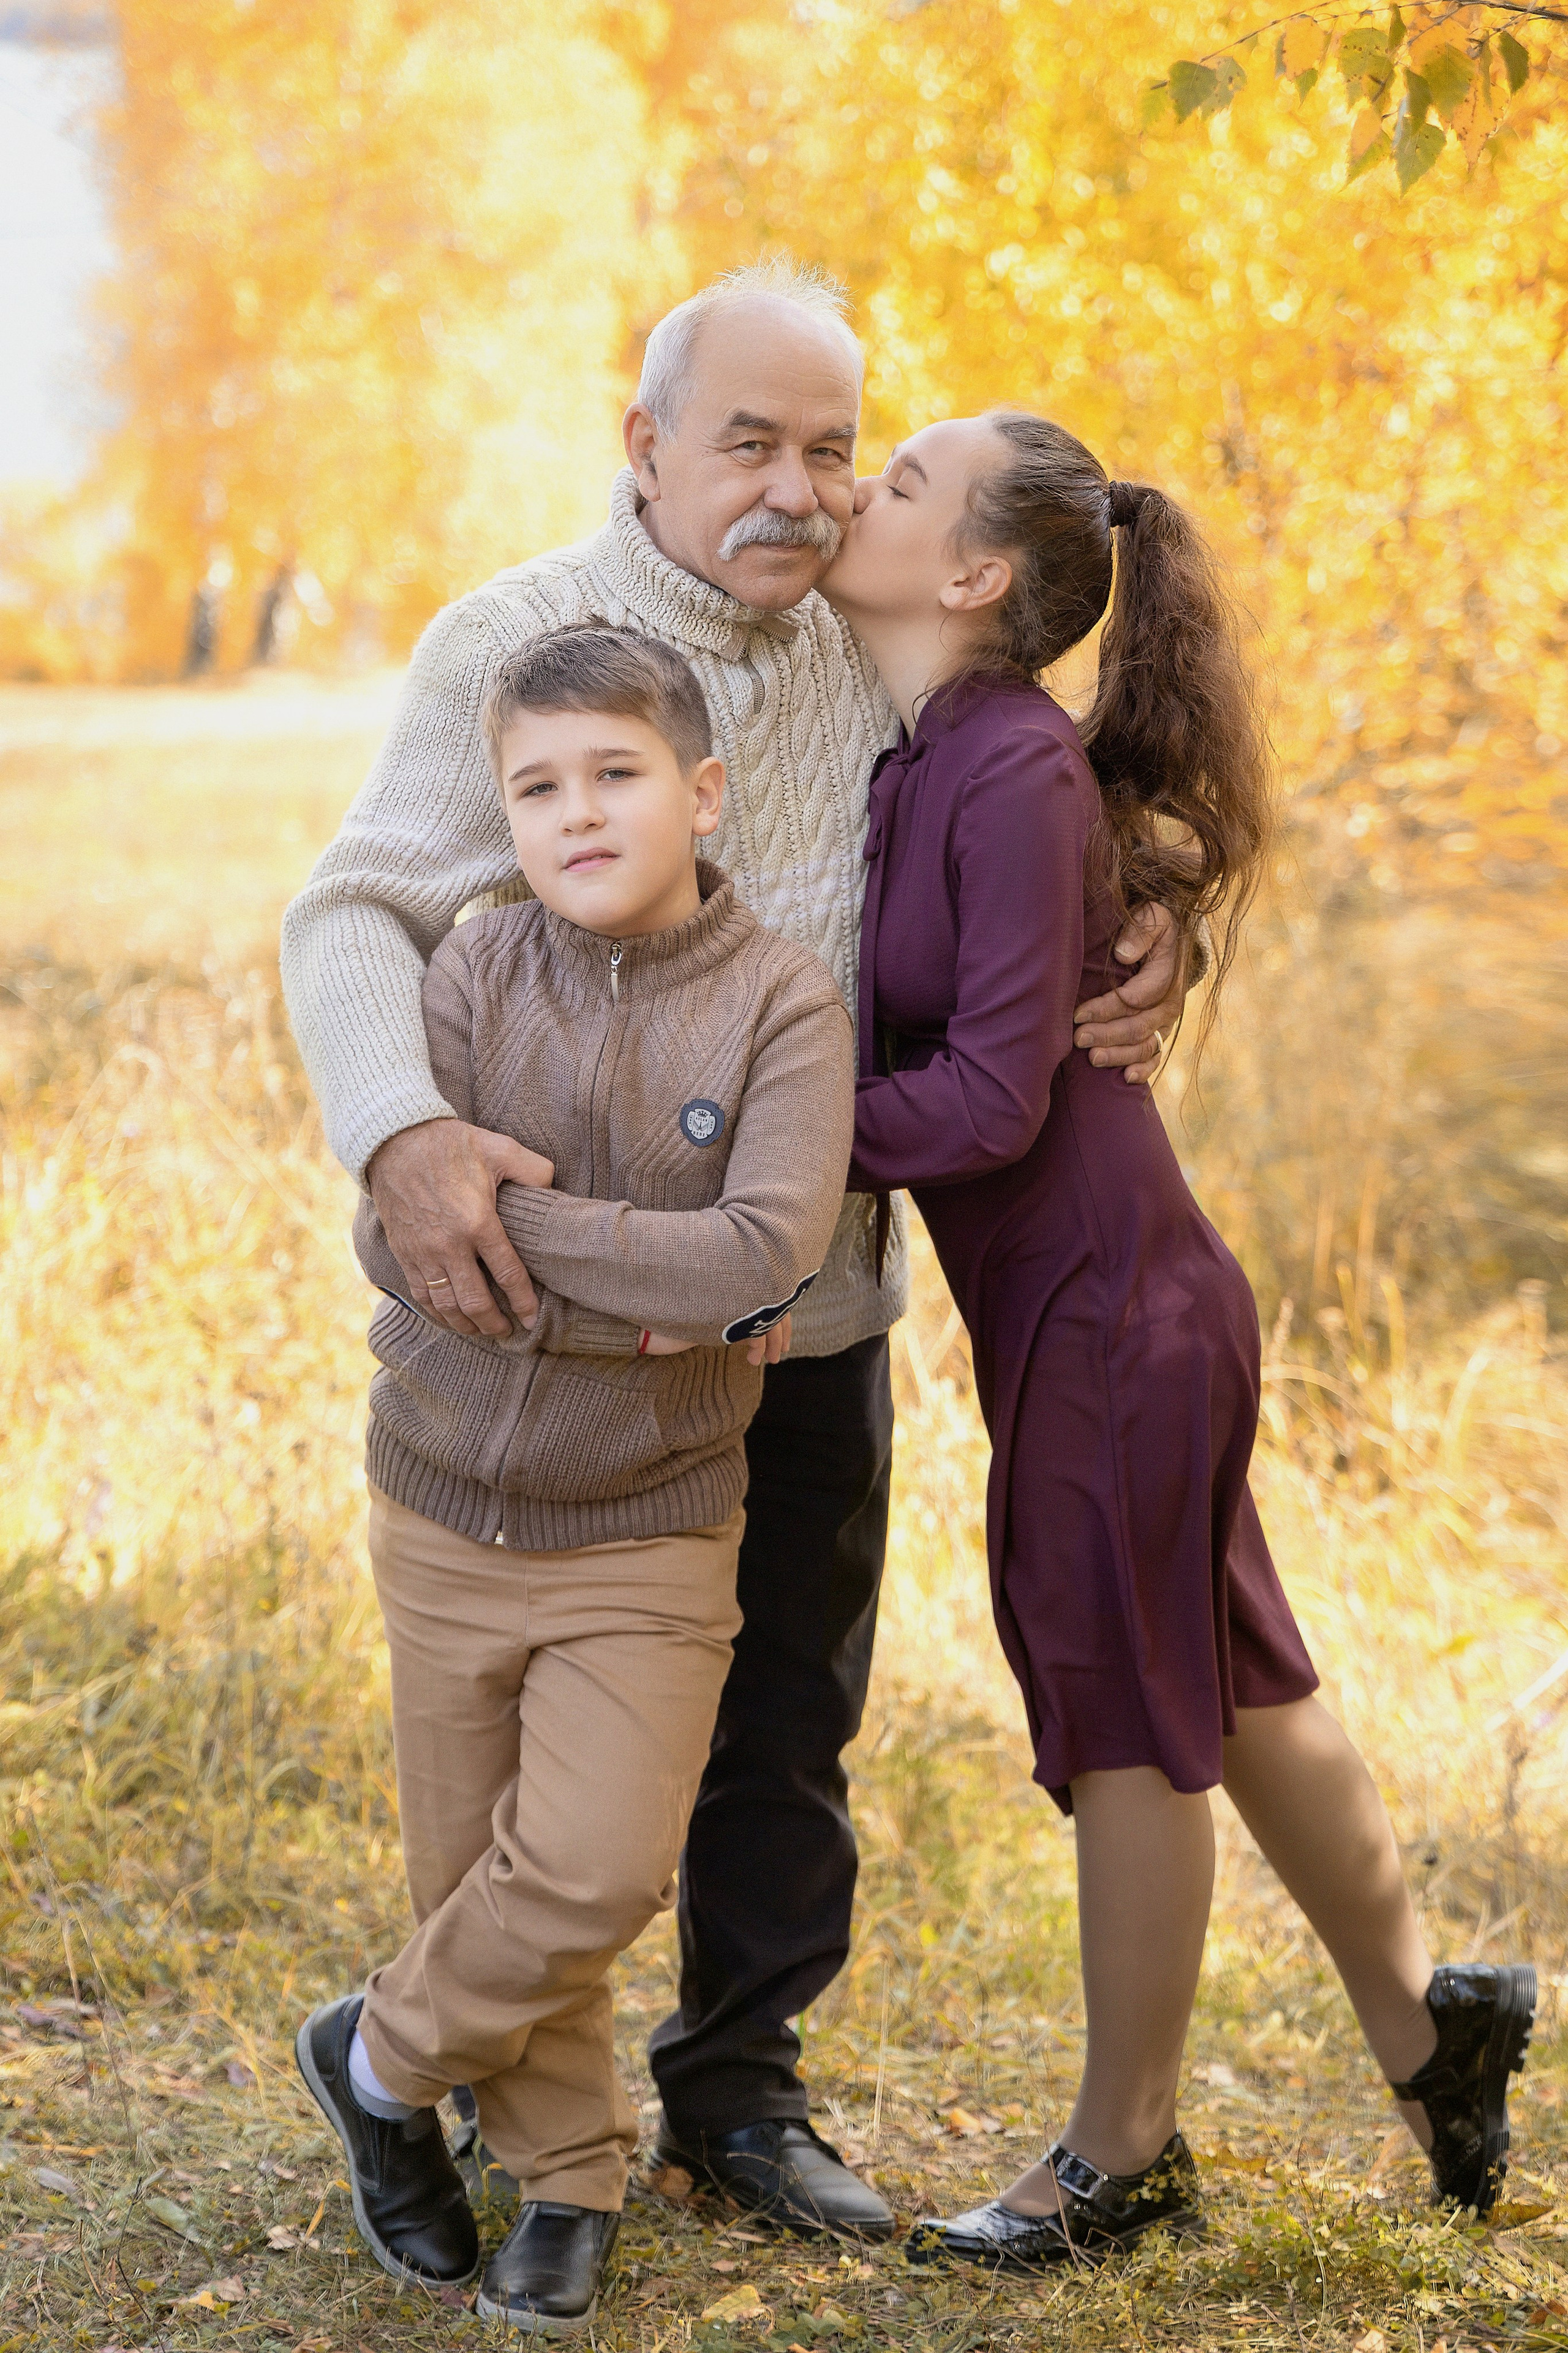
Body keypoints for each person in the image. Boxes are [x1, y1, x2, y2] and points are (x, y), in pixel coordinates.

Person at [281, 259, 1193, 2237]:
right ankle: (517, 2113)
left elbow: (1050, 802)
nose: (800, 490)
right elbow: (354, 908)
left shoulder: (875, 640)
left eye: (835, 451)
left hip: (811, 1302)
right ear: (646, 445)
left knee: (786, 1722)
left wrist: (1157, 916)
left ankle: (740, 2094)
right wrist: (405, 1136)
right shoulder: (516, 643)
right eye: (751, 444)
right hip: (571, 1333)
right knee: (540, 1769)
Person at [821, 410, 1536, 2267]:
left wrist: (766, 1138)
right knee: (1235, 1672)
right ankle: (1431, 2030)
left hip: (1113, 1309)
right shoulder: (940, 748)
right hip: (1107, 1298)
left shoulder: (1002, 764)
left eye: (901, 481)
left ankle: (1121, 2150)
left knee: (1130, 1717)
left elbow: (991, 1100)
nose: (860, 491)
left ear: (975, 574)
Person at [295, 625, 854, 2331]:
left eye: (616, 773)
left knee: (593, 1869)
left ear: (703, 792)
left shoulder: (782, 1004)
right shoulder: (470, 973)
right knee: (474, 1874)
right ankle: (567, 2179)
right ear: (508, 817)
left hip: (648, 1525)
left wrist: (512, 1224)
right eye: (539, 788)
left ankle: (374, 2060)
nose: (579, 813)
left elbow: (760, 1255)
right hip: (438, 1501)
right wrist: (642, 1285)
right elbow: (395, 1245)